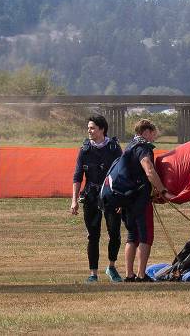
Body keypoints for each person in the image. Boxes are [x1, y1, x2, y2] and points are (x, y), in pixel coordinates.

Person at [101, 119, 173, 282]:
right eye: (153, 133)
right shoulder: (143, 148)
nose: (154, 137)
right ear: (146, 132)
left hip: (126, 199)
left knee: (132, 236)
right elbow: (149, 169)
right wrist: (162, 190)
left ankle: (129, 274)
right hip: (140, 200)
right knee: (145, 236)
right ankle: (141, 275)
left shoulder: (130, 146)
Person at [70, 115, 124, 283]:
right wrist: (74, 200)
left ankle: (111, 267)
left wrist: (122, 200)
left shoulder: (114, 149)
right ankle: (93, 273)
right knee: (93, 235)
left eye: (92, 128)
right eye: (88, 128)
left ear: (102, 129)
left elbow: (122, 174)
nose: (89, 131)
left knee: (114, 233)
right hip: (91, 197)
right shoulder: (84, 150)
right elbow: (77, 176)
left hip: (111, 196)